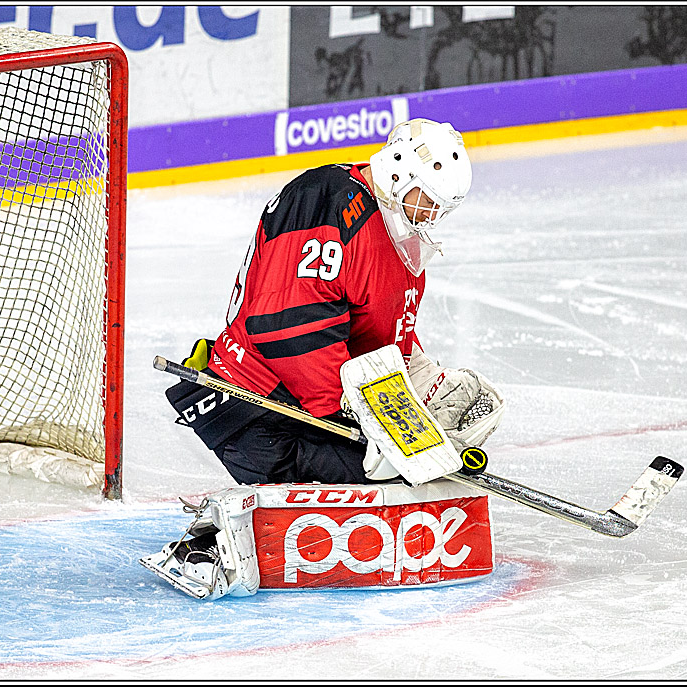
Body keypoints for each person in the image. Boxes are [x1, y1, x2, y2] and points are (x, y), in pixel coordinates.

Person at [154, 118, 506, 598]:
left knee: (416, 477)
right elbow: (284, 323)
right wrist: (359, 414)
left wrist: (419, 395)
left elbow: (381, 346)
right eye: (429, 201)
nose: (432, 217)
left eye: (442, 209)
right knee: (386, 482)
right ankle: (211, 543)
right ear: (401, 171)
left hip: (307, 407)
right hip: (256, 407)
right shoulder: (328, 198)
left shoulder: (403, 244)